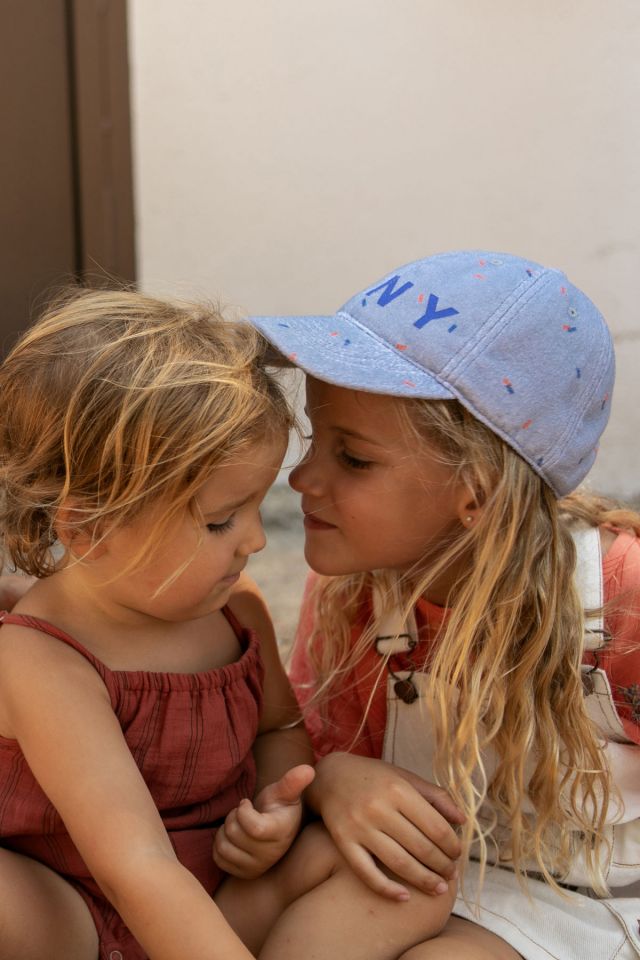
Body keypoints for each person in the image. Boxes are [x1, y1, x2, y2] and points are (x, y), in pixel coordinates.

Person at [0, 288, 463, 960]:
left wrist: (277, 808)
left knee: (407, 879)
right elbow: (135, 864)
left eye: (256, 507)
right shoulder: (40, 659)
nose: (256, 540)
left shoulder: (232, 606)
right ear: (89, 528)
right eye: (221, 521)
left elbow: (279, 729)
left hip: (219, 891)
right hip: (74, 910)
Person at [249, 250, 640, 960]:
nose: (301, 478)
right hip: (450, 885)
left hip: (605, 910)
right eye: (314, 439)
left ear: (477, 494)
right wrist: (333, 781)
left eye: (353, 458)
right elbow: (315, 747)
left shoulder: (619, 598)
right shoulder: (351, 594)